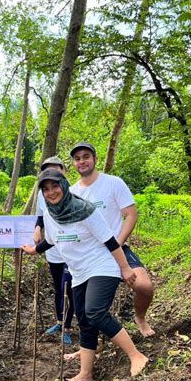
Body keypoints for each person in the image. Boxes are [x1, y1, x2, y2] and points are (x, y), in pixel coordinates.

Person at [22, 168, 148, 381]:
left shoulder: (84, 209)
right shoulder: (52, 213)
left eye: (55, 186)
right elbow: (52, 239)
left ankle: (136, 356)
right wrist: (35, 250)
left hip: (102, 265)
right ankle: (86, 374)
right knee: (85, 321)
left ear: (63, 185)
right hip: (79, 271)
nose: (51, 192)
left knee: (95, 312)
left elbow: (110, 240)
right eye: (46, 189)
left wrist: (125, 268)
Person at [69, 142, 155, 337]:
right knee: (88, 305)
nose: (82, 161)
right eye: (77, 158)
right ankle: (95, 342)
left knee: (144, 287)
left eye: (86, 156)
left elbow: (130, 214)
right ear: (74, 163)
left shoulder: (113, 183)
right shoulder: (72, 193)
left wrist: (117, 242)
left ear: (95, 159)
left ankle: (140, 317)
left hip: (117, 247)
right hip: (90, 254)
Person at [34, 156, 74, 344]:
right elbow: (40, 216)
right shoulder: (42, 194)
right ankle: (59, 321)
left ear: (64, 171)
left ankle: (67, 326)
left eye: (56, 170)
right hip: (52, 250)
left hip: (70, 248)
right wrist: (37, 229)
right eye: (46, 170)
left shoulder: (73, 193)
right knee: (58, 287)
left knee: (68, 287)